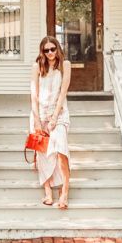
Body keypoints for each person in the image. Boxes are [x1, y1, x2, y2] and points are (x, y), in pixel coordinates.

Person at [30, 36, 71, 209]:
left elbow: (63, 92)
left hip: (59, 114)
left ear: (57, 48)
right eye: (46, 50)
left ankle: (65, 192)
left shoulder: (65, 65)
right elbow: (34, 94)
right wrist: (37, 120)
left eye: (52, 49)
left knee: (61, 152)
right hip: (40, 114)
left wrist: (54, 118)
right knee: (42, 154)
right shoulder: (37, 66)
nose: (50, 53)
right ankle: (48, 192)